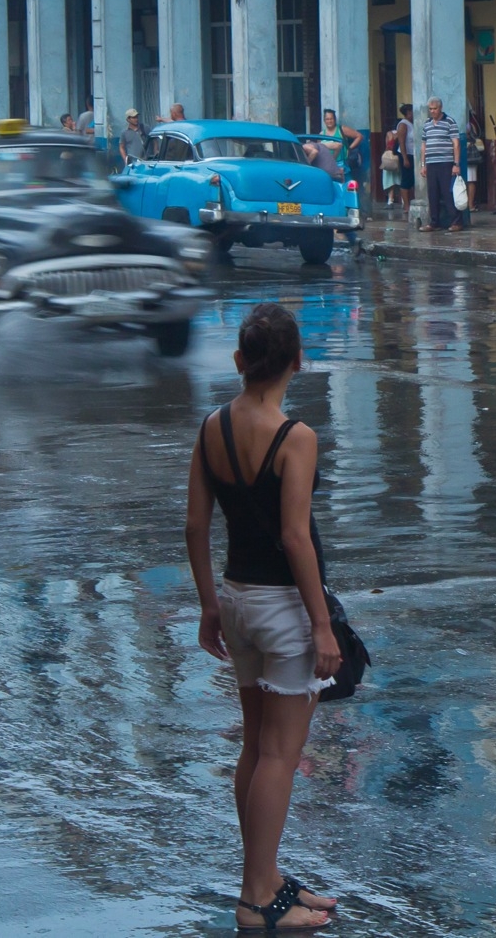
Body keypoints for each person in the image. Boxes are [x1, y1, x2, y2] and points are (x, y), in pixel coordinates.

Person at [185, 303, 342, 935]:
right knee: (280, 753)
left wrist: (208, 606)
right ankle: (256, 899)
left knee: (255, 745)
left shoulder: (212, 426)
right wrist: (322, 624)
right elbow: (296, 537)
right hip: (282, 609)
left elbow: (196, 526)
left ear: (239, 361)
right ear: (298, 363)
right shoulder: (295, 436)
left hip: (238, 598)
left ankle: (267, 878)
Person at [419, 98, 462, 231]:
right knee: (433, 193)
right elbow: (423, 145)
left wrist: (456, 164)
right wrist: (423, 164)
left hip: (446, 163)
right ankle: (433, 222)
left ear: (440, 108)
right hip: (431, 163)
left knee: (447, 193)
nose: (432, 111)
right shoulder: (427, 124)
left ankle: (456, 222)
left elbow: (456, 144)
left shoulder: (450, 122)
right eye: (430, 109)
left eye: (435, 109)